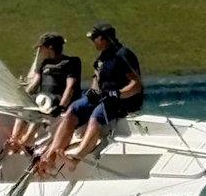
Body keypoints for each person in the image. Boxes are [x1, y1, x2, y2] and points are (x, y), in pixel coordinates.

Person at [38, 22, 143, 174]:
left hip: (121, 100)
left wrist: (118, 94)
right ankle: (51, 156)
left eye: (95, 38)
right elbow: (97, 77)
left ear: (104, 39)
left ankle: (76, 158)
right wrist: (93, 91)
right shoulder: (103, 56)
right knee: (74, 109)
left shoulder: (123, 55)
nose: (92, 41)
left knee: (96, 116)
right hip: (101, 95)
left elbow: (136, 85)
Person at [6, 32, 82, 152]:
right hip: (42, 97)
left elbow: (70, 87)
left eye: (41, 48)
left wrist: (62, 106)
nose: (39, 51)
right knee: (25, 107)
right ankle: (14, 139)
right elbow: (35, 83)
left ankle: (26, 140)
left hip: (57, 99)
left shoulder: (71, 62)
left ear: (50, 48)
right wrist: (22, 95)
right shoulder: (44, 63)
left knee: (41, 107)